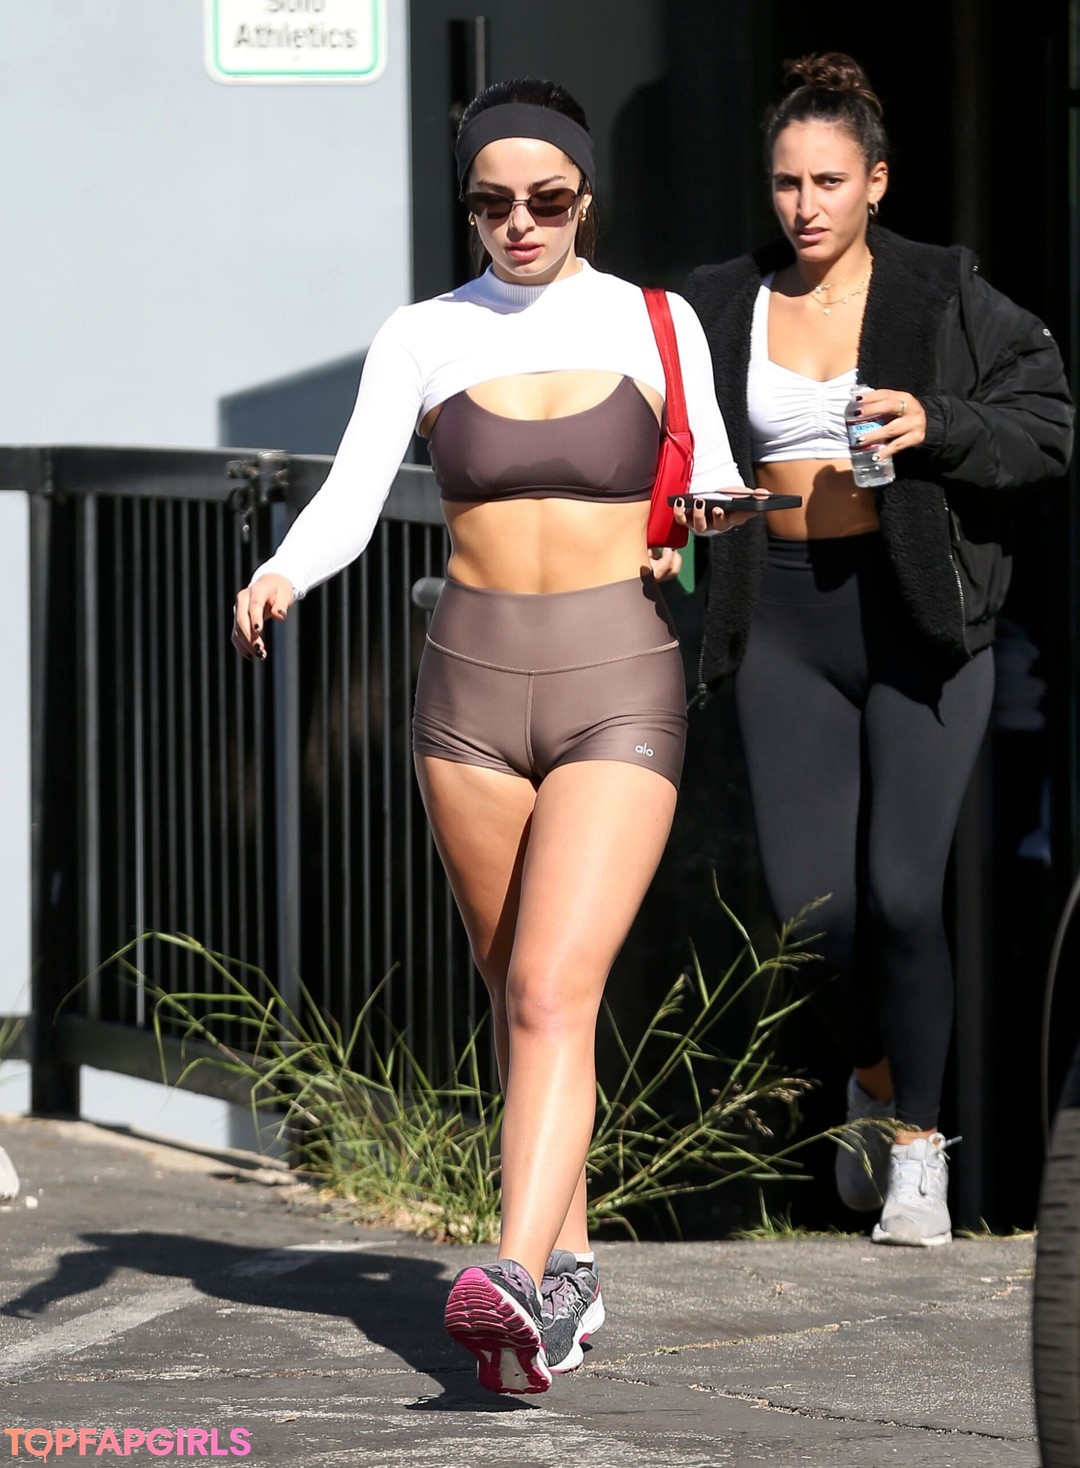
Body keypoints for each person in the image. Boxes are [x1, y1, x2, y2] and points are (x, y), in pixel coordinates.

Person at [232, 78, 751, 1392]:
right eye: (492, 202)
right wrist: (284, 572)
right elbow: (354, 491)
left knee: (550, 989)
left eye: (548, 199)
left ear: (585, 197)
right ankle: (565, 1281)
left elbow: (714, 474)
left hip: (616, 677)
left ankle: (510, 1275)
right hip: (465, 691)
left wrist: (709, 514)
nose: (520, 222)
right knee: (521, 995)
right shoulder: (425, 333)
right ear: (468, 207)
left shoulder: (653, 319)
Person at [679, 52, 1073, 1247]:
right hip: (785, 616)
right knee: (815, 913)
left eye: (829, 181)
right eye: (786, 182)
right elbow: (656, 430)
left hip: (916, 619)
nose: (804, 205)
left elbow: (1047, 424)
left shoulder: (942, 290)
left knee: (906, 895)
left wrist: (934, 420)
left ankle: (918, 1151)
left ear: (877, 181)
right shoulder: (720, 301)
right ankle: (874, 1079)